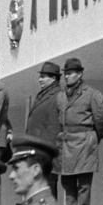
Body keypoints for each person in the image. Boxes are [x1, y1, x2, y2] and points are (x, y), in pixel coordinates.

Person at [57, 58, 103, 205]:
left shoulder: (92, 94)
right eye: (65, 74)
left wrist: (95, 136)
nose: (67, 77)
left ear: (80, 74)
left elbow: (101, 117)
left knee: (84, 182)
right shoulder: (61, 96)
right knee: (67, 179)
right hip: (67, 140)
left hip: (84, 139)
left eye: (70, 73)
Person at [26, 61, 63, 194]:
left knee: (47, 189)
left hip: (45, 154)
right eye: (40, 76)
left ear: (53, 78)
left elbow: (54, 128)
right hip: (37, 151)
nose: (40, 79)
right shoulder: (44, 94)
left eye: (44, 76)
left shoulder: (57, 96)